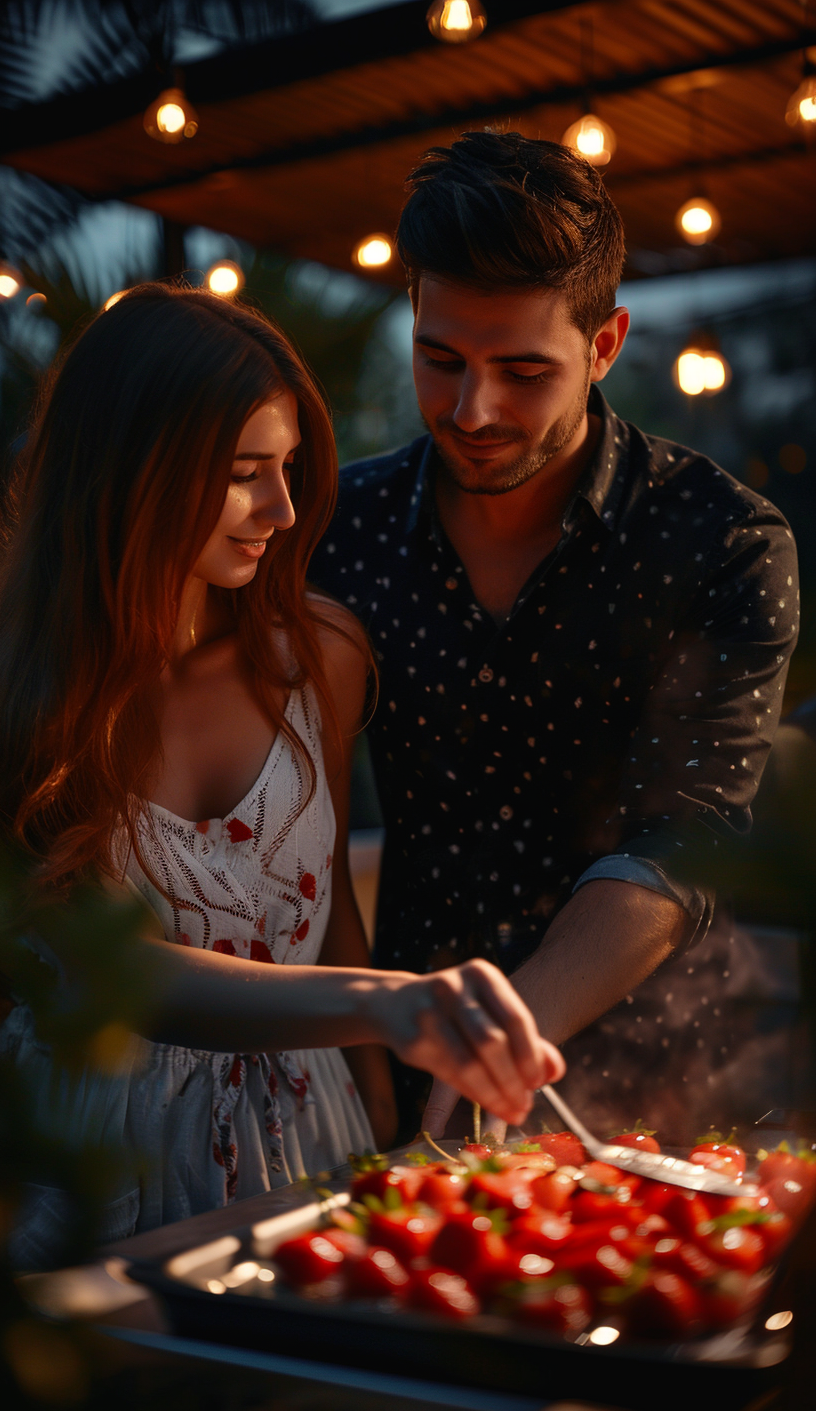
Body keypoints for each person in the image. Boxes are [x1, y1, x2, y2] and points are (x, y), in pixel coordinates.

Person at [0, 282, 563, 1263]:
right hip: (90, 1168)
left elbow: (328, 897)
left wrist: (382, 1120)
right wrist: (386, 998)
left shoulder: (319, 655)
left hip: (305, 1139)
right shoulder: (26, 690)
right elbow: (110, 970)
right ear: (133, 471)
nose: (286, 507)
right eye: (243, 471)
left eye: (291, 466)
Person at [310, 130, 800, 1142]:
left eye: (523, 370)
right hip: (407, 1072)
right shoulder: (337, 528)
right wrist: (367, 1077)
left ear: (607, 344)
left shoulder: (721, 540)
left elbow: (685, 841)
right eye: (438, 358)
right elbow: (302, 833)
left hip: (658, 1090)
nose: (472, 408)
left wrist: (503, 1035)